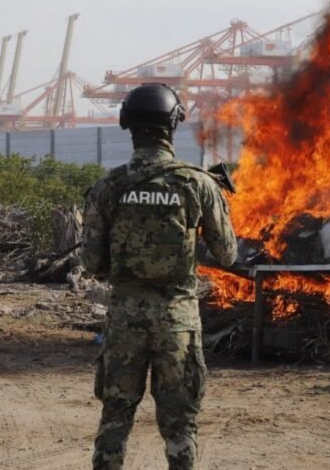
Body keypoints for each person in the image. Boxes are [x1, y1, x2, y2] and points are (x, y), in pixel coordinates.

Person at [82, 83, 238, 470]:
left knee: (115, 418)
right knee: (181, 425)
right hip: (178, 323)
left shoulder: (109, 186)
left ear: (127, 125)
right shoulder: (198, 183)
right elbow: (228, 254)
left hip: (124, 320)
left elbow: (91, 263)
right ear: (174, 123)